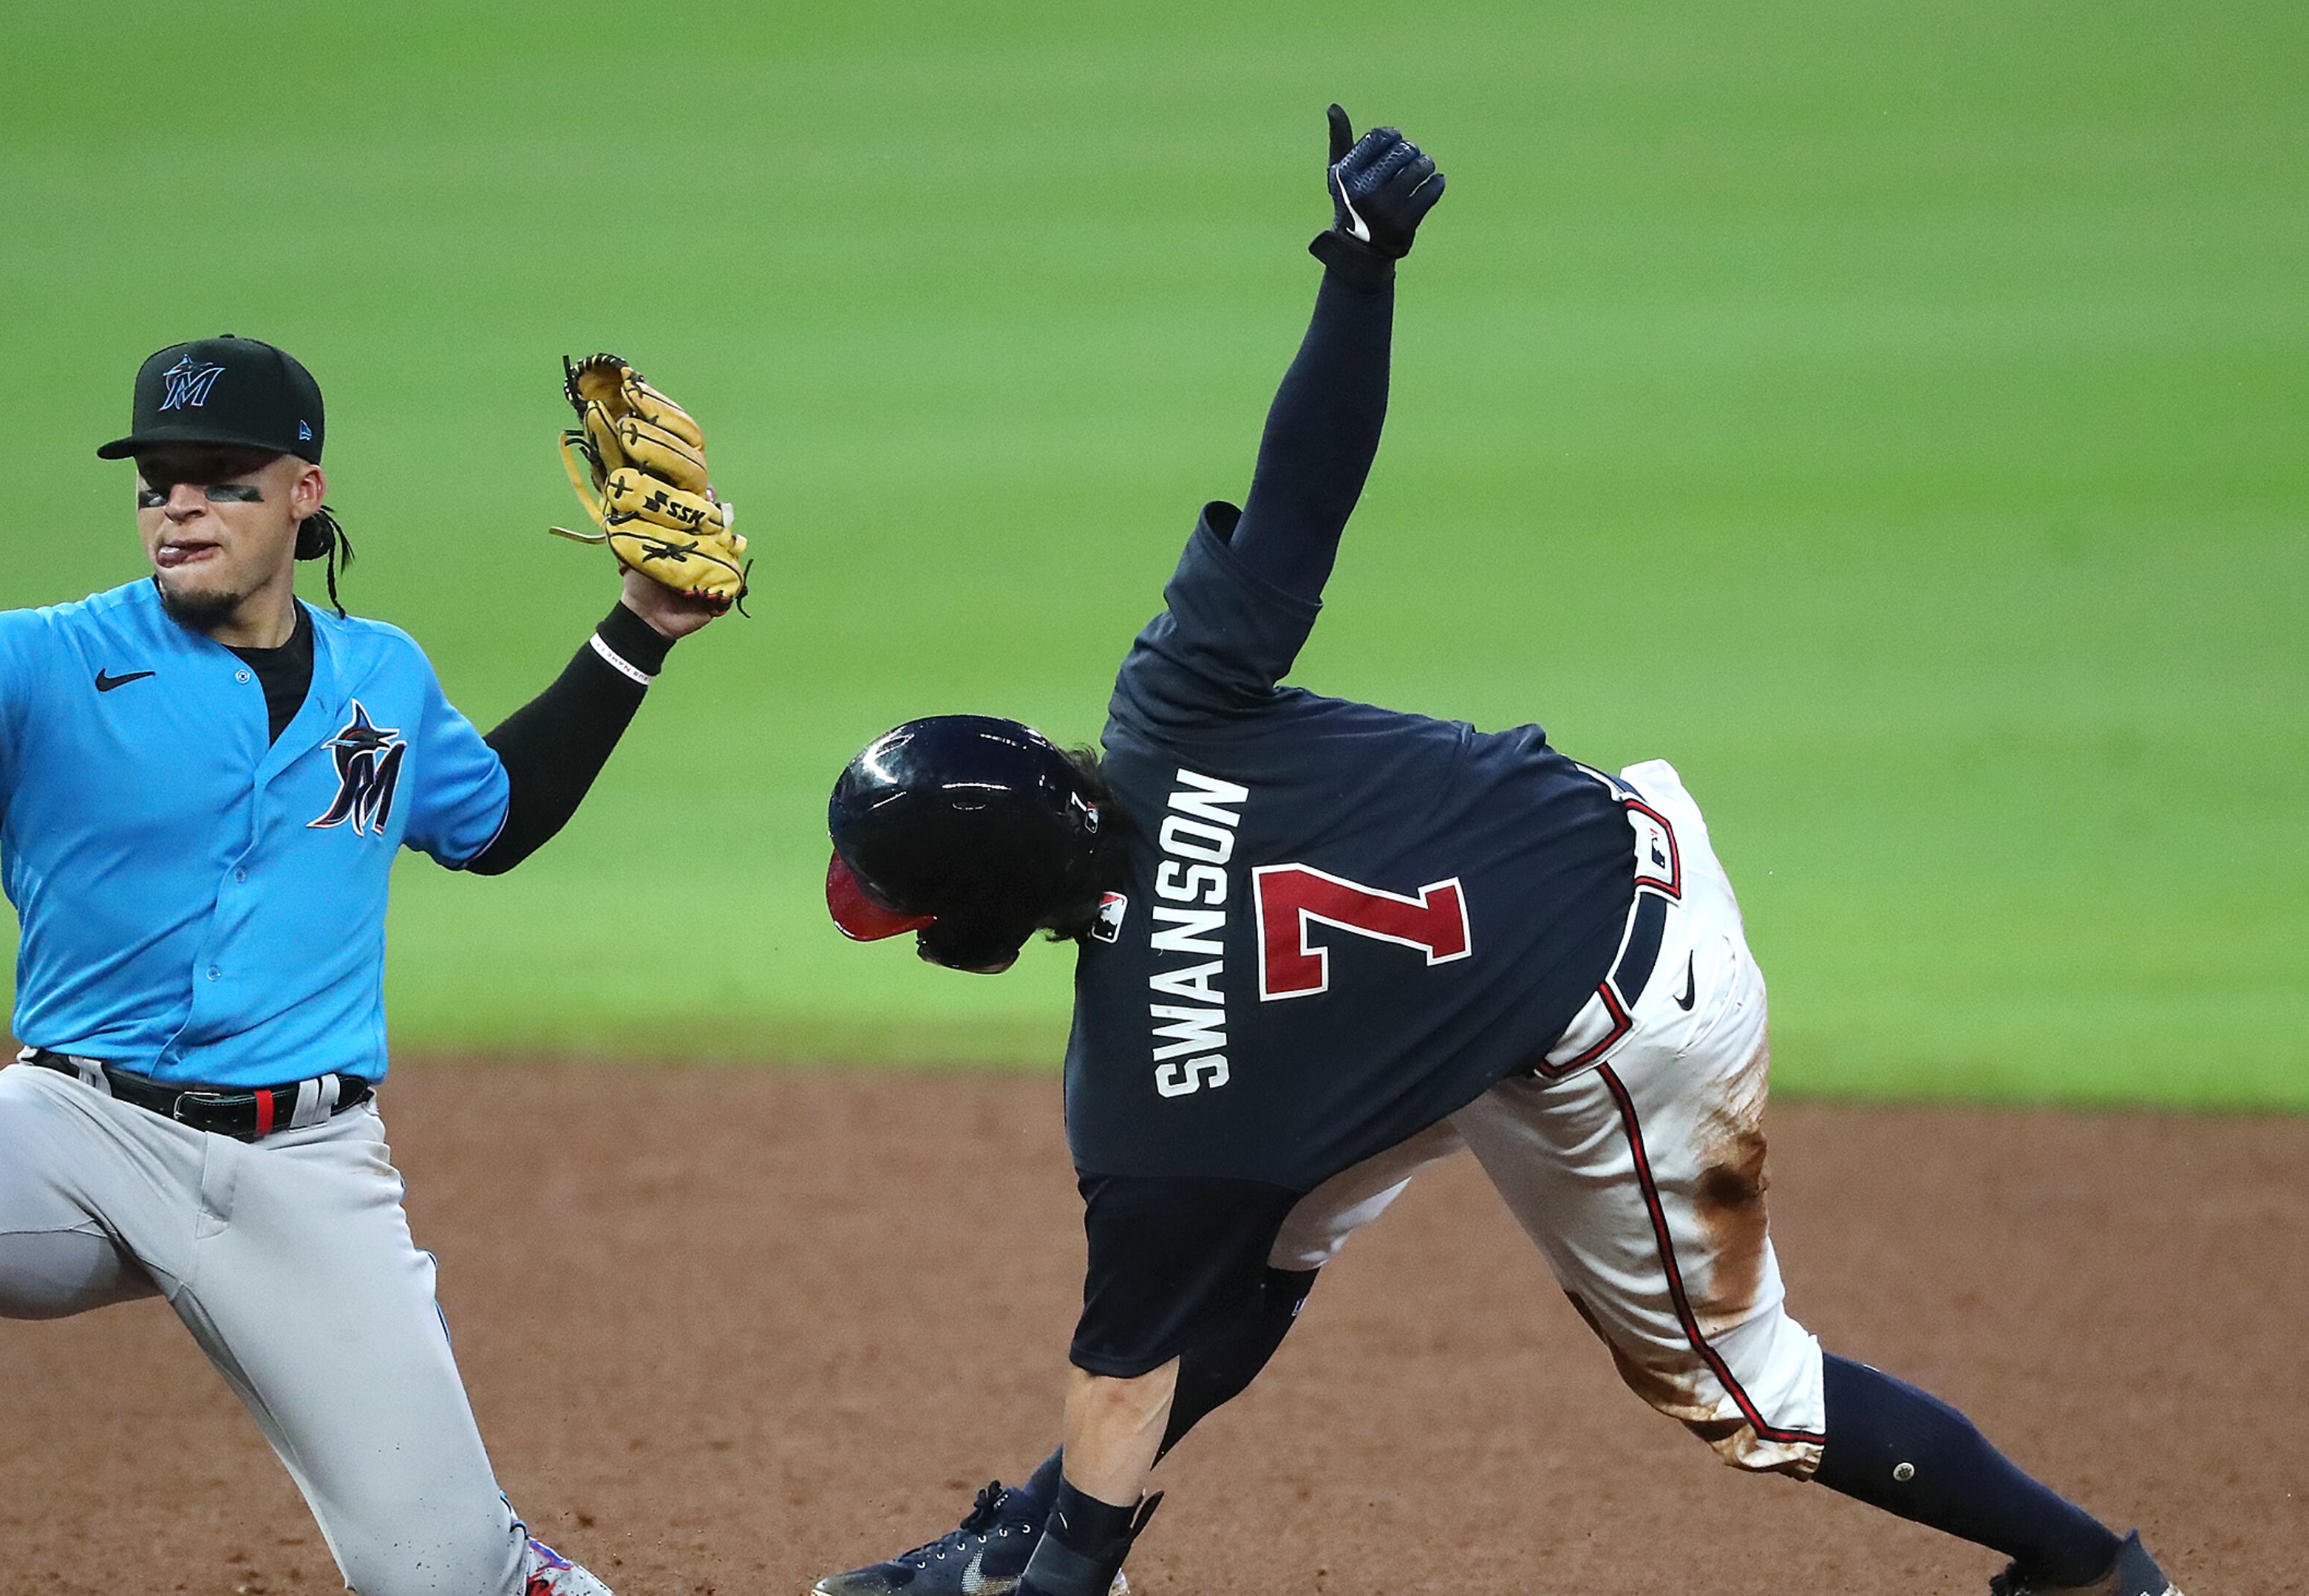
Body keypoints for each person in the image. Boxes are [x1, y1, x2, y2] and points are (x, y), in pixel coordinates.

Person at [812, 113, 2182, 1596]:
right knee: (1275, 1228)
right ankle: (1013, 1539)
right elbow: (1303, 495)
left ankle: (2092, 1571)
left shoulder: (1149, 1092)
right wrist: (1361, 262)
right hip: (1603, 840)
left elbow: (1129, 1362)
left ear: (975, 926)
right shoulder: (1174, 702)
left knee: (1750, 1391)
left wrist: (1079, 1572)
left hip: (1623, 1036)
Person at [0, 334, 728, 1596]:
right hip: (73, 1131)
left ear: (303, 495)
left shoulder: (381, 673)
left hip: (304, 1168)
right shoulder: (38, 661)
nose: (180, 508)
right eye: (159, 481)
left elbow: (494, 824)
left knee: (440, 1575)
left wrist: (640, 629)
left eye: (222, 479)